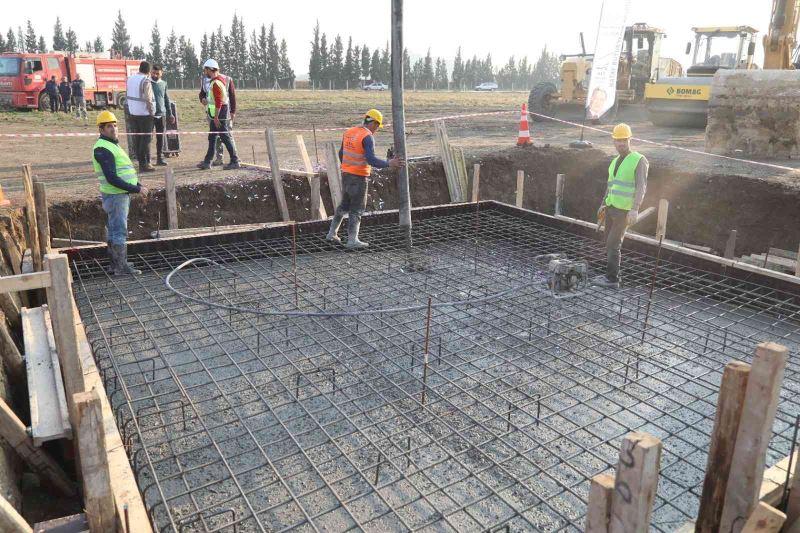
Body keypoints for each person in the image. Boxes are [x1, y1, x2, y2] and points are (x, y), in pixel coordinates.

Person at [326, 109, 405, 249]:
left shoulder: (349, 132)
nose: (376, 130)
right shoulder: (367, 137)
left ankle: (332, 234)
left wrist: (347, 167)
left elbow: (341, 153)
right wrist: (389, 163)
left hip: (346, 174)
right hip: (358, 177)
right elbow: (371, 160)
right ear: (374, 123)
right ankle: (352, 241)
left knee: (344, 205)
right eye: (377, 126)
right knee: (356, 208)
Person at [92, 110, 149, 275]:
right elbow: (112, 178)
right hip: (116, 194)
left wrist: (137, 184)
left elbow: (122, 172)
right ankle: (120, 267)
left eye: (115, 126)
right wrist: (137, 188)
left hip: (118, 193)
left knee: (113, 228)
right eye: (109, 126)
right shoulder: (102, 148)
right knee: (119, 231)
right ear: (101, 129)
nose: (114, 129)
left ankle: (115, 263)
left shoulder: (111, 145)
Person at [594, 123, 648, 289]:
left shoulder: (639, 160)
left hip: (624, 211)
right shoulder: (614, 162)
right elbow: (610, 186)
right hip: (611, 208)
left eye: (624, 140)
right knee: (608, 242)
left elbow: (641, 186)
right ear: (614, 141)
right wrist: (603, 204)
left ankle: (612, 280)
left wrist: (635, 209)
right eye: (618, 140)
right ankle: (612, 274)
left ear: (630, 139)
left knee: (613, 244)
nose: (621, 143)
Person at [196, 59, 240, 170]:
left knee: (224, 136)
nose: (205, 72)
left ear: (210, 69)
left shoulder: (216, 82)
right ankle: (207, 161)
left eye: (205, 70)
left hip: (219, 113)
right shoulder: (216, 80)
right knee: (212, 137)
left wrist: (216, 117)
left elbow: (219, 101)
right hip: (216, 113)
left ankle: (235, 160)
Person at [125, 61, 156, 172]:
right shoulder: (146, 80)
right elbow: (148, 98)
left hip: (133, 112)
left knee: (138, 138)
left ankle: (141, 162)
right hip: (144, 114)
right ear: (148, 71)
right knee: (146, 139)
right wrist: (152, 112)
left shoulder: (130, 79)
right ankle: (145, 164)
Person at [150, 64, 174, 166]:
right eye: (153, 73)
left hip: (162, 115)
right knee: (148, 138)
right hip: (150, 115)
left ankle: (159, 158)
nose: (155, 75)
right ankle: (147, 160)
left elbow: (166, 99)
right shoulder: (148, 83)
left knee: (160, 138)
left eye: (157, 73)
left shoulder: (163, 84)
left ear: (161, 73)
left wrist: (170, 114)